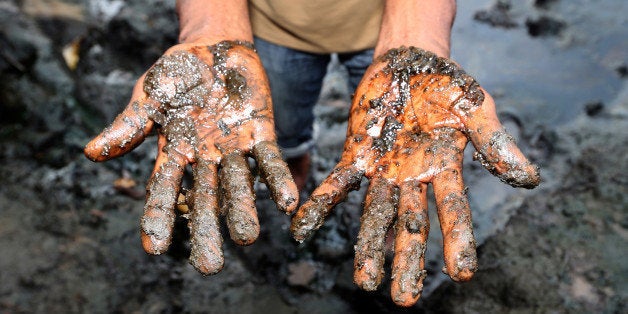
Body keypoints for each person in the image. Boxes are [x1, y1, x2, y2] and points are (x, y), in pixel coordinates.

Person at [84, 0, 540, 307]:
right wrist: (214, 29)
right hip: (273, 26)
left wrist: (419, 43)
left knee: (387, 145)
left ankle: (367, 209)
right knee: (277, 122)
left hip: (388, 21)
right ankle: (297, 162)